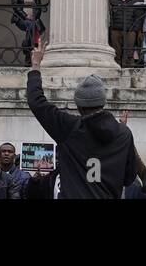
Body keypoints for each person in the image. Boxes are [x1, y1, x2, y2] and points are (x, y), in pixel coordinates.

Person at [25, 44, 137, 198]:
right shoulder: (123, 133)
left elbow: (36, 102)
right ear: (103, 102)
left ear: (78, 105)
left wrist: (36, 66)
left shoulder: (69, 127)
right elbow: (129, 178)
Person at [11, 0, 45, 66]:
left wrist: (35, 16)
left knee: (31, 28)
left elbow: (38, 6)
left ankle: (27, 49)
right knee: (32, 27)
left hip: (33, 20)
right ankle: (29, 52)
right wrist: (25, 16)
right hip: (20, 19)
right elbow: (15, 6)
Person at [108, 0, 138, 67]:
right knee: (116, 53)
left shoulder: (134, 1)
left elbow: (138, 17)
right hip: (116, 30)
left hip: (130, 31)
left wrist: (134, 29)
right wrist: (112, 28)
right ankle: (117, 72)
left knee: (129, 54)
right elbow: (109, 14)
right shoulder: (112, 1)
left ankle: (129, 74)